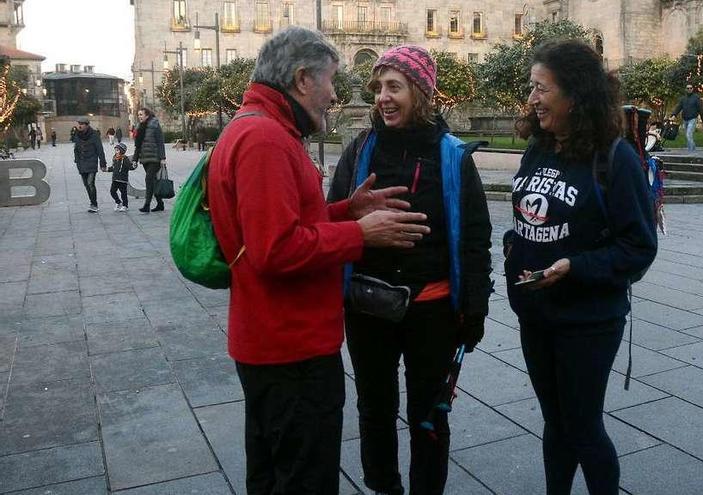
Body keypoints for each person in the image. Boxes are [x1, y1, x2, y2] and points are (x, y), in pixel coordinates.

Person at [208, 27, 432, 495]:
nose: (335, 94)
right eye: (330, 81)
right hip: (291, 348)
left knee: (274, 472)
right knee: (302, 478)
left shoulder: (259, 127)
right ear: (302, 78)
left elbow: (279, 224)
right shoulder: (265, 138)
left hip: (276, 341)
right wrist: (359, 233)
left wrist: (343, 211)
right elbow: (275, 250)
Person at [328, 45, 492, 495]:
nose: (382, 96)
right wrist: (361, 227)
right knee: (374, 408)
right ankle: (385, 487)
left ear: (420, 92)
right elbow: (331, 215)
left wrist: (473, 310)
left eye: (394, 86)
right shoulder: (360, 149)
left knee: (430, 413)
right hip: (368, 308)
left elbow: (476, 238)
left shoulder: (453, 156)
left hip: (432, 310)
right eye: (379, 87)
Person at [505, 39, 657, 495]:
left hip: (587, 321)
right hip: (536, 314)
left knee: (583, 427)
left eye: (541, 88)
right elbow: (530, 215)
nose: (532, 99)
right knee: (555, 425)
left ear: (575, 94)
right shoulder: (539, 147)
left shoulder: (616, 158)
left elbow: (639, 247)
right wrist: (516, 246)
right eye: (531, 87)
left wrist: (577, 265)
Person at [132, 107, 167, 213]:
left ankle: (146, 205)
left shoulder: (154, 125)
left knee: (148, 179)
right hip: (145, 158)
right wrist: (135, 159)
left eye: (141, 114)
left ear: (147, 115)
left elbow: (160, 142)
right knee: (153, 181)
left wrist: (162, 158)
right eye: (138, 115)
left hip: (155, 158)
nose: (139, 117)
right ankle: (160, 203)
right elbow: (137, 145)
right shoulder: (139, 127)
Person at [71, 117, 107, 213]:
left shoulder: (94, 134)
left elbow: (100, 149)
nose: (80, 125)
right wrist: (77, 160)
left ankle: (94, 204)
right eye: (79, 123)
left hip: (91, 162)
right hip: (81, 163)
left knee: (91, 183)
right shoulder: (77, 135)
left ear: (87, 125)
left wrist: (103, 163)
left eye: (82, 124)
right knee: (86, 184)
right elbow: (76, 148)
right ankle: (92, 202)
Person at [670, 83, 703, 152]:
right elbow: (678, 107)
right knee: (688, 136)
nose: (689, 89)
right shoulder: (683, 99)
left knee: (688, 134)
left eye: (691, 88)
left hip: (692, 119)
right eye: (688, 88)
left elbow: (700, 109)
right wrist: (674, 115)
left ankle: (691, 151)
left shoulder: (696, 98)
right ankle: (693, 149)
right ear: (686, 89)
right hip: (685, 119)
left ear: (692, 89)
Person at [107, 142, 136, 212]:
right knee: (112, 192)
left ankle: (125, 205)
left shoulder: (125, 159)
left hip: (122, 179)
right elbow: (114, 167)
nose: (116, 151)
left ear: (122, 151)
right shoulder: (114, 158)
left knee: (123, 193)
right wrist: (107, 169)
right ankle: (118, 202)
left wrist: (134, 166)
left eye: (118, 150)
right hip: (115, 179)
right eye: (115, 150)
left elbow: (130, 167)